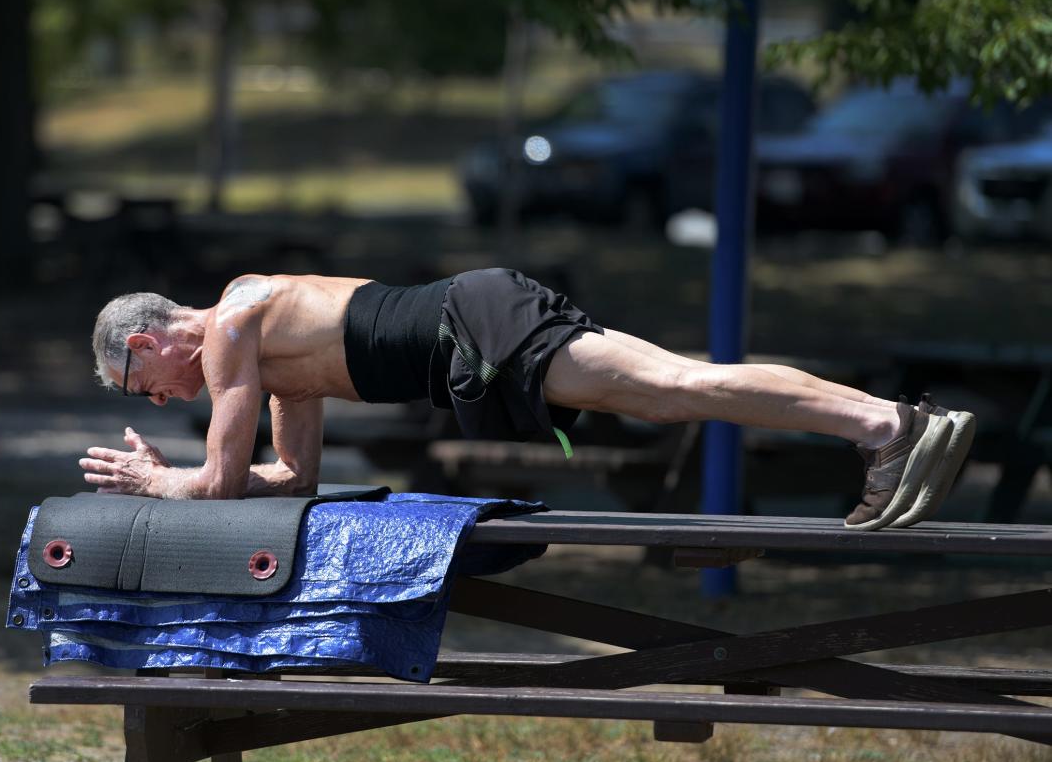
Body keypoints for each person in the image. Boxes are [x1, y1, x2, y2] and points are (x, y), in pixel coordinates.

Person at [81, 268, 975, 531]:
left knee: (675, 388)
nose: (157, 400)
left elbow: (221, 481)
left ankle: (889, 426)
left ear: (150, 340)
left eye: (140, 383)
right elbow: (287, 480)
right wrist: (197, 478)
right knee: (674, 391)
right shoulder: (266, 359)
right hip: (477, 331)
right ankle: (889, 427)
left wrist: (161, 482)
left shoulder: (235, 328)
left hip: (478, 322)